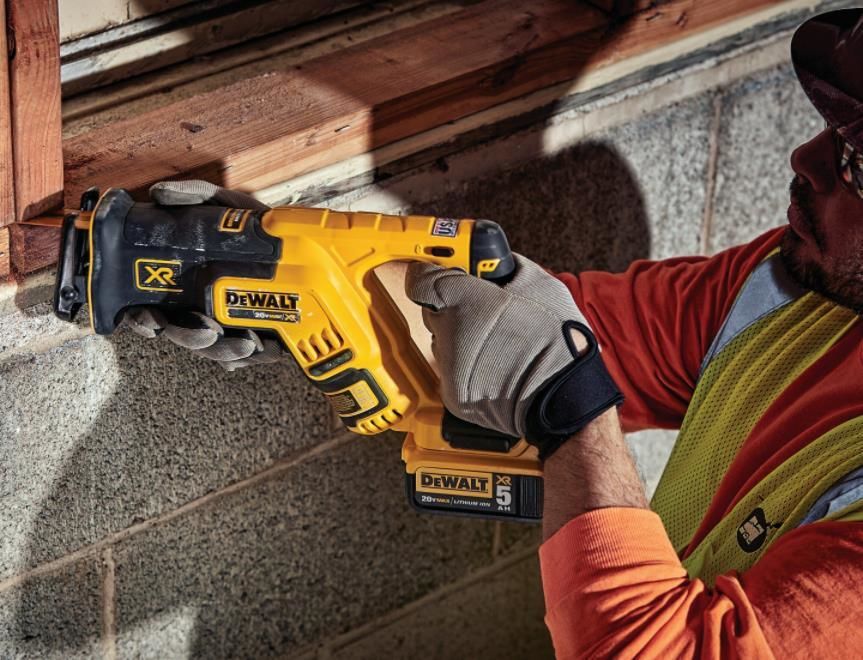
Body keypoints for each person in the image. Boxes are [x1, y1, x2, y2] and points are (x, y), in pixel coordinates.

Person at [127, 9, 863, 657]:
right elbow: (536, 337)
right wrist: (312, 279)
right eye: (832, 129)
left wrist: (569, 410)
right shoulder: (800, 286)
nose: (806, 160)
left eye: (857, 162)